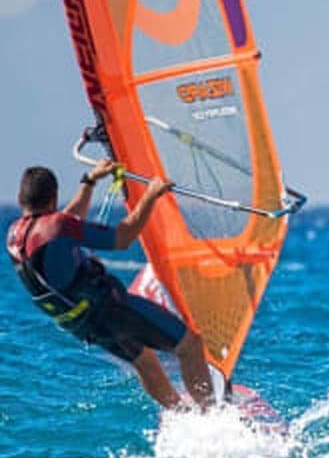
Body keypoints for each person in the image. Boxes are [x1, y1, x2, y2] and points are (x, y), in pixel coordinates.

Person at [6, 162, 213, 410]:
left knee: (144, 361)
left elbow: (63, 222)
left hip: (84, 325)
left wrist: (90, 181)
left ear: (21, 199)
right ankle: (212, 415)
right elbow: (123, 238)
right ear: (53, 199)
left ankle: (180, 415)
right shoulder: (58, 226)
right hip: (111, 310)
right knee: (189, 345)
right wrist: (150, 195)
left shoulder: (15, 235)